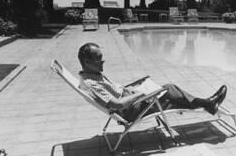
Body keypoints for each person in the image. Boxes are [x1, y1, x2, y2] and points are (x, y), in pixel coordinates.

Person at [77, 42, 227, 121]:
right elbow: (118, 104)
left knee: (172, 96)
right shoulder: (91, 83)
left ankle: (205, 103)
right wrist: (141, 93)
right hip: (130, 110)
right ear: (87, 62)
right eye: (98, 59)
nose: (103, 61)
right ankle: (207, 103)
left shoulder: (92, 74)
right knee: (169, 89)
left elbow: (115, 95)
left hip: (131, 102)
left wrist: (131, 90)